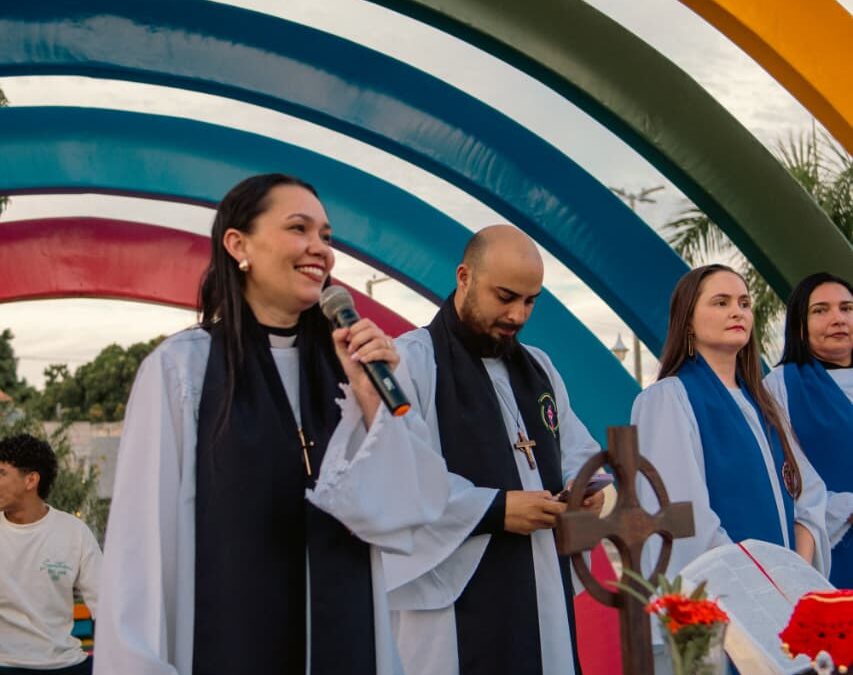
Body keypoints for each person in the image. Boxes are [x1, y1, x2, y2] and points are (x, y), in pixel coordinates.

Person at [93, 174, 449, 675]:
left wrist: (373, 406)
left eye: (326, 237)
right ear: (239, 244)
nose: (319, 249)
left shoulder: (351, 371)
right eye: (298, 228)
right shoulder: (184, 371)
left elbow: (408, 514)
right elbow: (141, 553)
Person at [383, 225, 603, 675]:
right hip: (455, 608)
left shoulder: (538, 367)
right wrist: (495, 509)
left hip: (541, 585)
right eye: (505, 296)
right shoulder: (412, 362)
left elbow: (577, 450)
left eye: (530, 301)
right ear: (464, 277)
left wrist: (587, 489)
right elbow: (393, 478)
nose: (518, 315)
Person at [630, 264, 830, 583]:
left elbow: (809, 495)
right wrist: (757, 582)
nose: (737, 312)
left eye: (744, 303)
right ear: (689, 322)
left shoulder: (765, 403)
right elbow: (683, 516)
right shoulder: (669, 399)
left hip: (784, 596)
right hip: (727, 597)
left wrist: (794, 574)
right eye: (721, 302)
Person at [764, 272, 852, 588]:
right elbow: (785, 475)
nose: (838, 319)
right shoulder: (780, 386)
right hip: (833, 547)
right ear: (799, 326)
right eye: (821, 310)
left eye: (847, 308)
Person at [0, 433, 101, 675]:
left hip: (67, 664)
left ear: (31, 480)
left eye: (2, 473)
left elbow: (104, 604)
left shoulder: (74, 533)